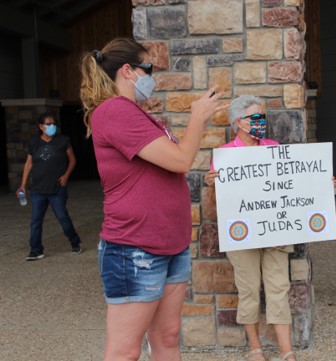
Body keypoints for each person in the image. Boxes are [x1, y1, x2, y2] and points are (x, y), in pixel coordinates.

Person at [79, 37, 225, 361]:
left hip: (169, 245)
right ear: (128, 71)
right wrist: (198, 117)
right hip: (135, 248)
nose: (152, 77)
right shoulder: (115, 110)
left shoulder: (137, 113)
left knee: (167, 337)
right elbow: (181, 160)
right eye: (148, 69)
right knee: (125, 351)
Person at [205, 95, 336, 361]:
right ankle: (255, 348)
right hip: (243, 238)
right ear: (238, 123)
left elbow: (294, 187)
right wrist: (213, 185)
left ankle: (286, 350)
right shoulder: (225, 157)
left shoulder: (274, 148)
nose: (260, 122)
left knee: (278, 288)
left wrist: (322, 184)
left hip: (277, 233)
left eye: (261, 116)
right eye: (255, 117)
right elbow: (220, 204)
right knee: (249, 289)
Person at [18, 112, 82, 261]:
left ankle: (75, 241)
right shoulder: (34, 142)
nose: (52, 126)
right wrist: (22, 185)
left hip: (57, 188)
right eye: (48, 124)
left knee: (62, 217)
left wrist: (66, 176)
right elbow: (29, 163)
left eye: (53, 124)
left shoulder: (63, 140)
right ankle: (35, 250)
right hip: (38, 189)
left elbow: (72, 160)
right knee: (36, 221)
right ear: (41, 126)